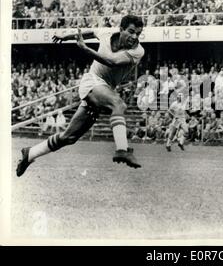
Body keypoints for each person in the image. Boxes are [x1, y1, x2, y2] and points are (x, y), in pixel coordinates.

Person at [16, 15, 144, 177]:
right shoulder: (105, 34)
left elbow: (112, 61)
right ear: (121, 29)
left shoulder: (138, 51)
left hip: (104, 89)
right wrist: (66, 36)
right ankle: (122, 150)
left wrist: (85, 49)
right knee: (118, 104)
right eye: (131, 32)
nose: (134, 37)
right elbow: (89, 32)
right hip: (92, 82)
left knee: (69, 137)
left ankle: (30, 153)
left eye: (138, 34)